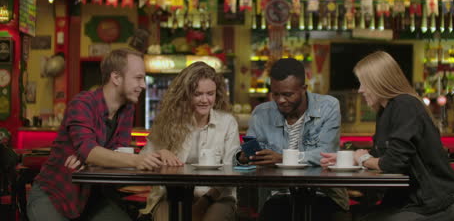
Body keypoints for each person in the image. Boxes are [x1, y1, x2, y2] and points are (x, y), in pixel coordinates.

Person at [321, 51, 454, 221]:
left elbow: (392, 163)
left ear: (379, 82)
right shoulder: (386, 111)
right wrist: (349, 159)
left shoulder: (405, 104)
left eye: (364, 83)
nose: (360, 90)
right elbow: (382, 158)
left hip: (438, 206)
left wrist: (363, 159)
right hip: (413, 204)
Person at [27, 48, 164, 221]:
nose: (143, 85)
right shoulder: (82, 104)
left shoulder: (127, 109)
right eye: (138, 78)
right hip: (54, 196)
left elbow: (116, 155)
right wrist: (134, 160)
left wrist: (94, 159)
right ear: (116, 78)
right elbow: (89, 151)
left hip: (92, 200)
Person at [237, 58, 349, 221]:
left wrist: (284, 158)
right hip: (276, 196)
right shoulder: (261, 113)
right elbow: (245, 153)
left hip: (324, 194)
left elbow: (327, 153)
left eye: (287, 94)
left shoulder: (328, 106)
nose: (280, 100)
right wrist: (243, 157)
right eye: (275, 94)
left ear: (304, 89)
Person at [140, 61, 240, 221]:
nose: (205, 100)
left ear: (217, 93)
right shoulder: (168, 122)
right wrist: (160, 153)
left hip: (217, 198)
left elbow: (231, 172)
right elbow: (143, 159)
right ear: (186, 94)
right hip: (172, 197)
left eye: (210, 93)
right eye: (198, 93)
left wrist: (204, 203)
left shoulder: (227, 123)